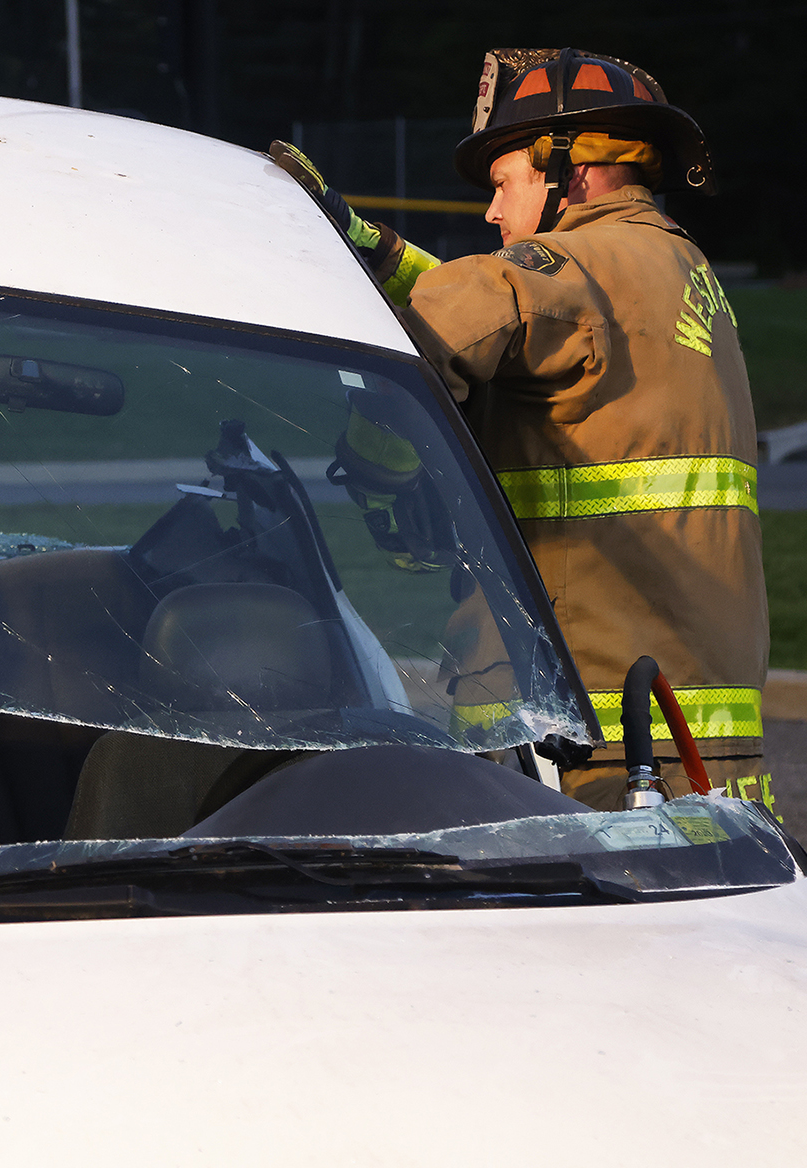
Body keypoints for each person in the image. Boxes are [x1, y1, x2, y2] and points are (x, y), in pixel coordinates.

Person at [274, 47, 770, 813]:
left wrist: (386, 480)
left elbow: (462, 314)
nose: (491, 212)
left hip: (579, 743)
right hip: (698, 740)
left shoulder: (573, 269)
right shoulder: (672, 271)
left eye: (505, 184)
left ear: (570, 169)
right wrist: (371, 246)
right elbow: (518, 303)